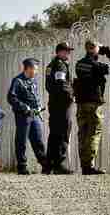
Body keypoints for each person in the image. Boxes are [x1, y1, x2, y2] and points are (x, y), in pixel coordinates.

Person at [73, 40, 110, 175]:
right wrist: (109, 52)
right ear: (94, 49)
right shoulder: (97, 66)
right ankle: (89, 166)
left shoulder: (79, 64)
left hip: (81, 104)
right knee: (94, 133)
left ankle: (84, 165)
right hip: (93, 104)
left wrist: (98, 51)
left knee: (82, 133)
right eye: (98, 48)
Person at [7, 58, 49, 175]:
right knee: (22, 140)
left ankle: (45, 164)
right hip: (23, 116)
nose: (36, 72)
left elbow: (34, 96)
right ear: (28, 68)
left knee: (37, 139)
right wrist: (24, 107)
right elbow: (11, 97)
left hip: (34, 115)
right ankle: (22, 166)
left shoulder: (33, 80)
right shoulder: (18, 81)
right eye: (35, 69)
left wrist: (39, 106)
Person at [44, 42, 75, 175]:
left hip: (54, 103)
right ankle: (59, 164)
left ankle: (49, 165)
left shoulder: (51, 65)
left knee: (54, 133)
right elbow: (61, 84)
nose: (68, 53)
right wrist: (71, 96)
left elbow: (49, 86)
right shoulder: (60, 65)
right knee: (63, 132)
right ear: (60, 52)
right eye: (66, 51)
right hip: (62, 104)